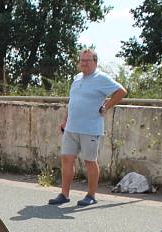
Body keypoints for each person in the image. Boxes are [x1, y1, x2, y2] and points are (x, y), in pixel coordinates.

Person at [49, 49, 127, 206]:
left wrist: (106, 106)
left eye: (87, 60)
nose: (84, 63)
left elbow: (121, 91)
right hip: (72, 127)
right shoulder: (77, 78)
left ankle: (91, 195)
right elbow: (73, 101)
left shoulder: (101, 78)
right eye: (82, 60)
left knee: (90, 161)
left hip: (90, 128)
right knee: (66, 159)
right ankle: (64, 194)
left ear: (95, 62)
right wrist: (66, 120)